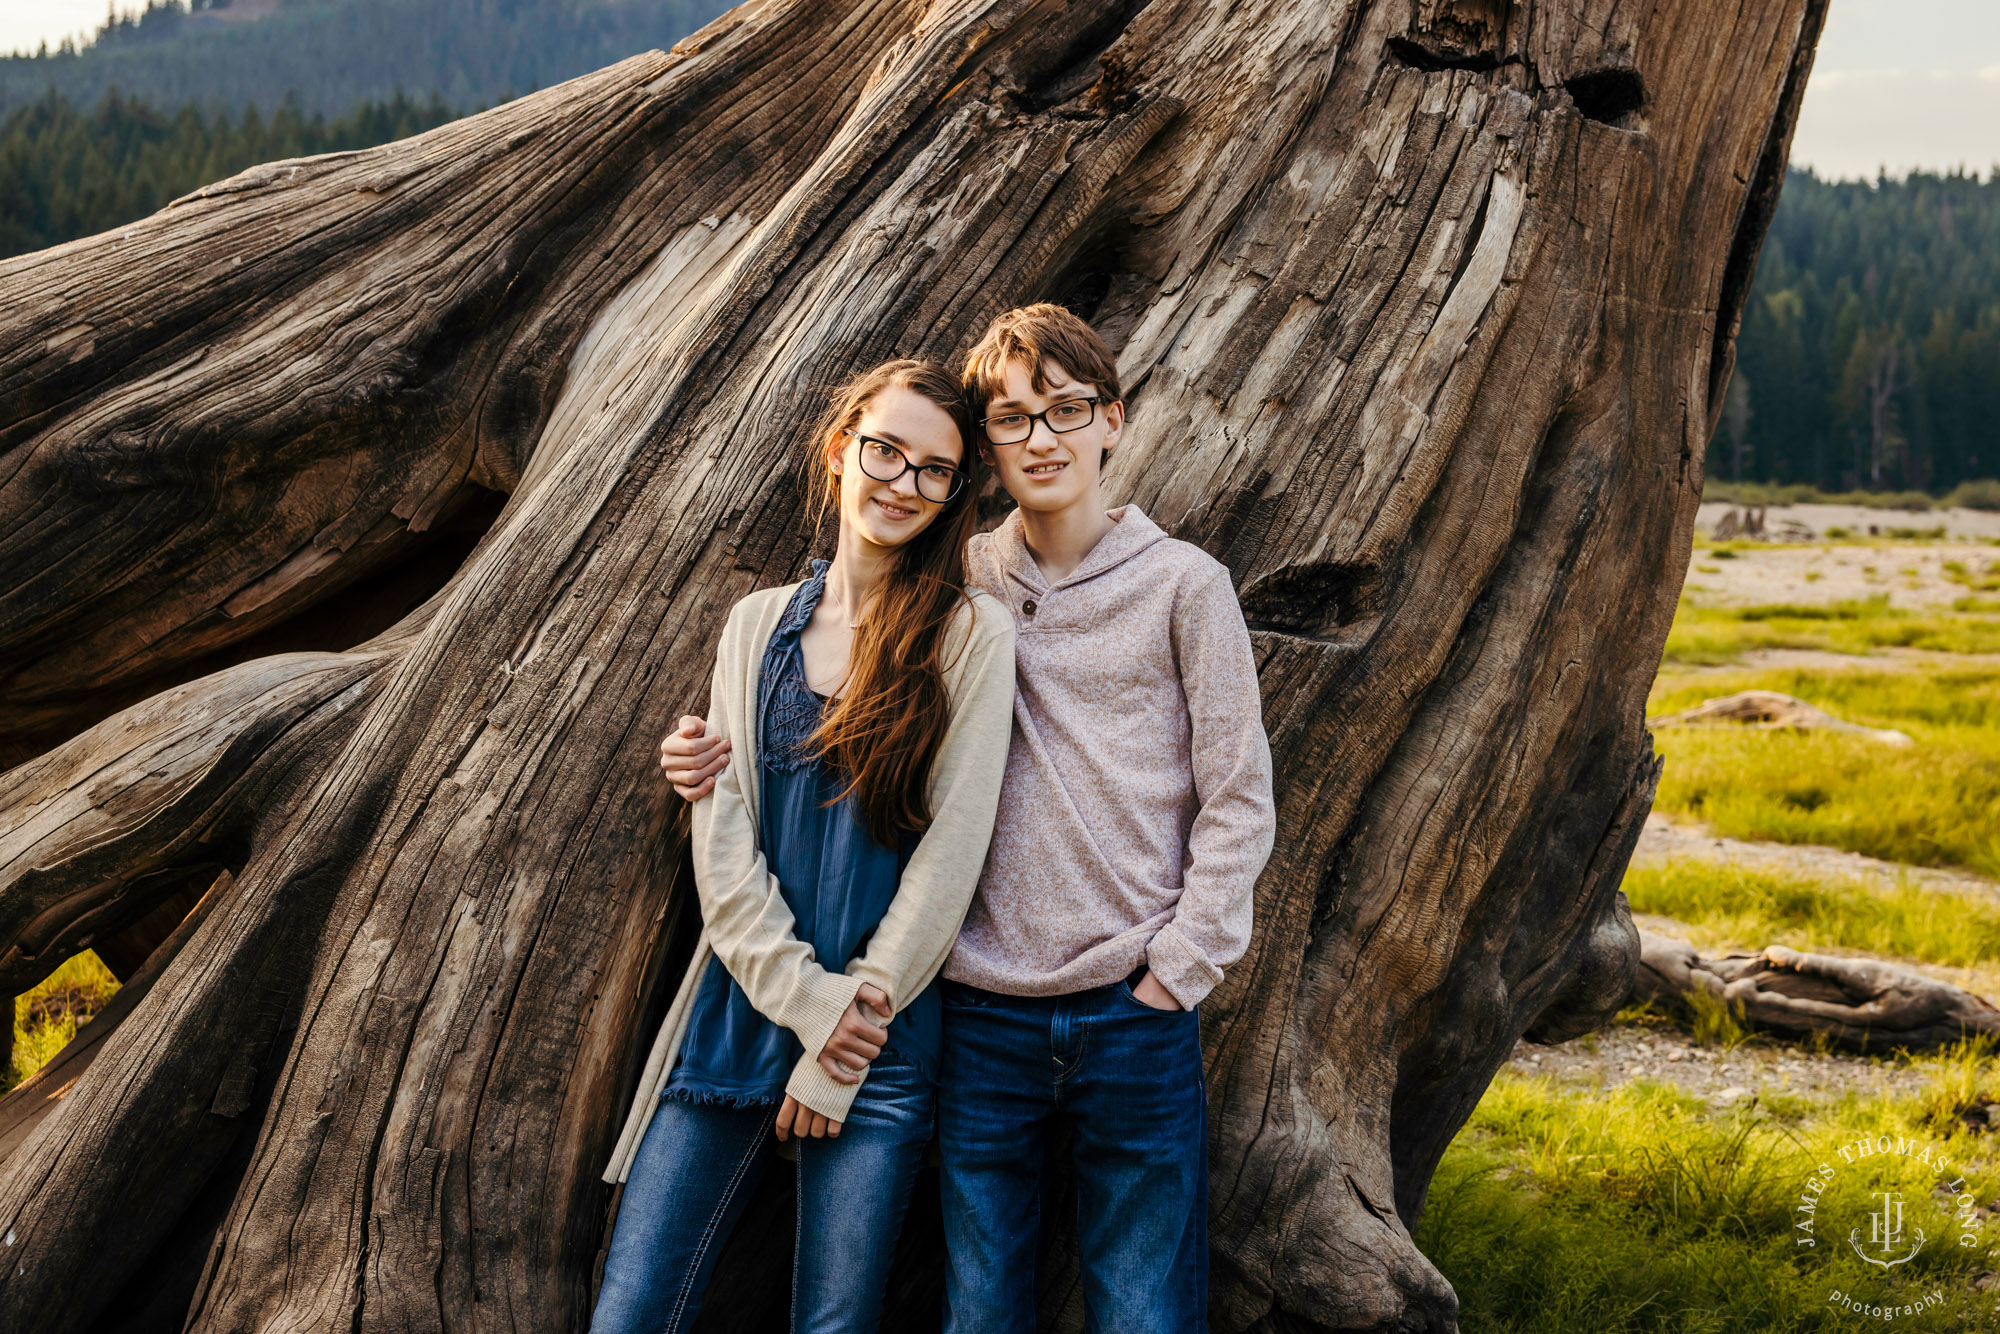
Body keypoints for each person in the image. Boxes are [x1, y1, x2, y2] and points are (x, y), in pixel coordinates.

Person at [661, 305, 1275, 1333]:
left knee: (1144, 1306)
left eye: (1064, 411)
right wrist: (703, 751)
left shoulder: (1184, 586)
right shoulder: (965, 582)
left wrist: (1179, 967)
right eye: (1012, 419)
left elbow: (1237, 794)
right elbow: (828, 682)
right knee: (981, 1306)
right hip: (982, 1010)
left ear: (1112, 421)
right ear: (985, 450)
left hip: (1134, 1006)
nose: (1040, 437)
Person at [596, 359, 1017, 1334]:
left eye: (933, 470)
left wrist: (842, 1038)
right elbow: (724, 838)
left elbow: (951, 851)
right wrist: (807, 1002)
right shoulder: (754, 627)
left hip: (882, 1037)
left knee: (833, 1322)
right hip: (740, 1010)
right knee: (632, 1310)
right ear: (841, 451)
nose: (902, 482)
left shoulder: (970, 636)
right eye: (886, 451)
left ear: (955, 492)